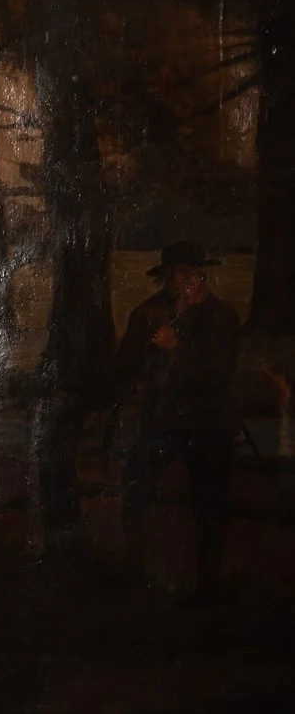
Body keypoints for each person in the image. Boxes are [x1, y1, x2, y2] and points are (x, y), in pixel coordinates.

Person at [114, 240, 241, 596]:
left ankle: (208, 584)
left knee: (210, 502)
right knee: (136, 485)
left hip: (207, 423)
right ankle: (135, 567)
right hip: (161, 420)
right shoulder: (147, 313)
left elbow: (218, 374)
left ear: (202, 276)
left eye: (187, 273)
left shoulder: (222, 316)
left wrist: (175, 350)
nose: (179, 281)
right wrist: (136, 382)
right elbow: (124, 366)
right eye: (172, 274)